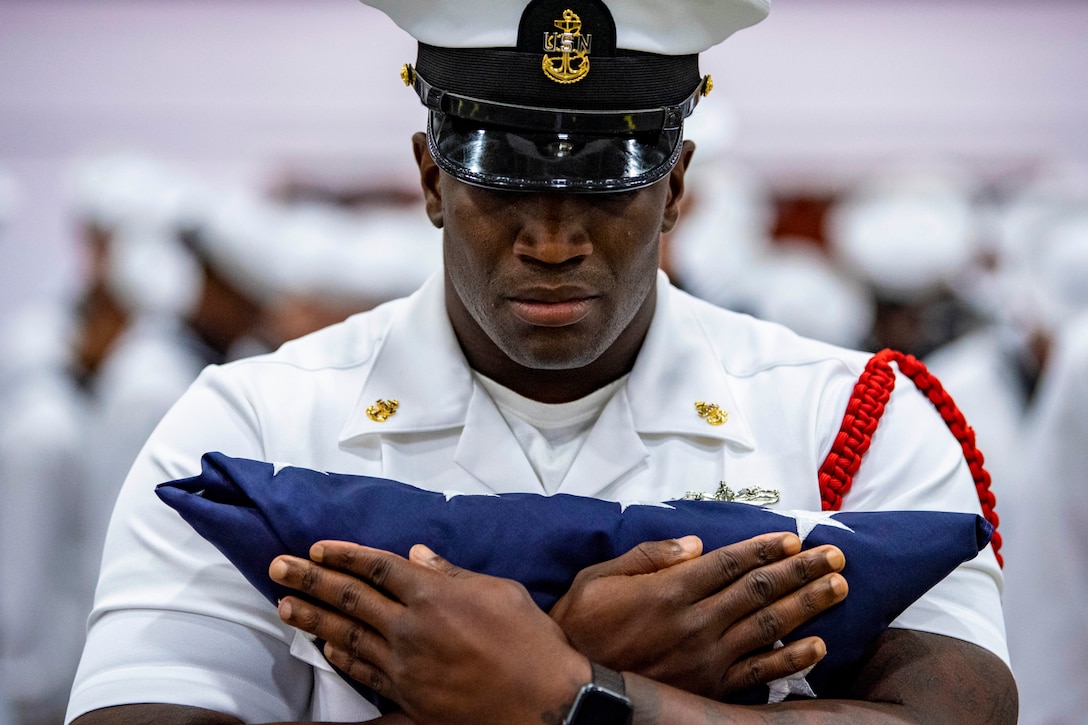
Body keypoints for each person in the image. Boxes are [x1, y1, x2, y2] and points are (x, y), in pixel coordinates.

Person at [66, 1, 1016, 723]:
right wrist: (572, 682)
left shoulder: (852, 414)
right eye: (503, 182)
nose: (555, 239)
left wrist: (573, 689)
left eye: (607, 184)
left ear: (677, 185)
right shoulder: (250, 425)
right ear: (432, 179)